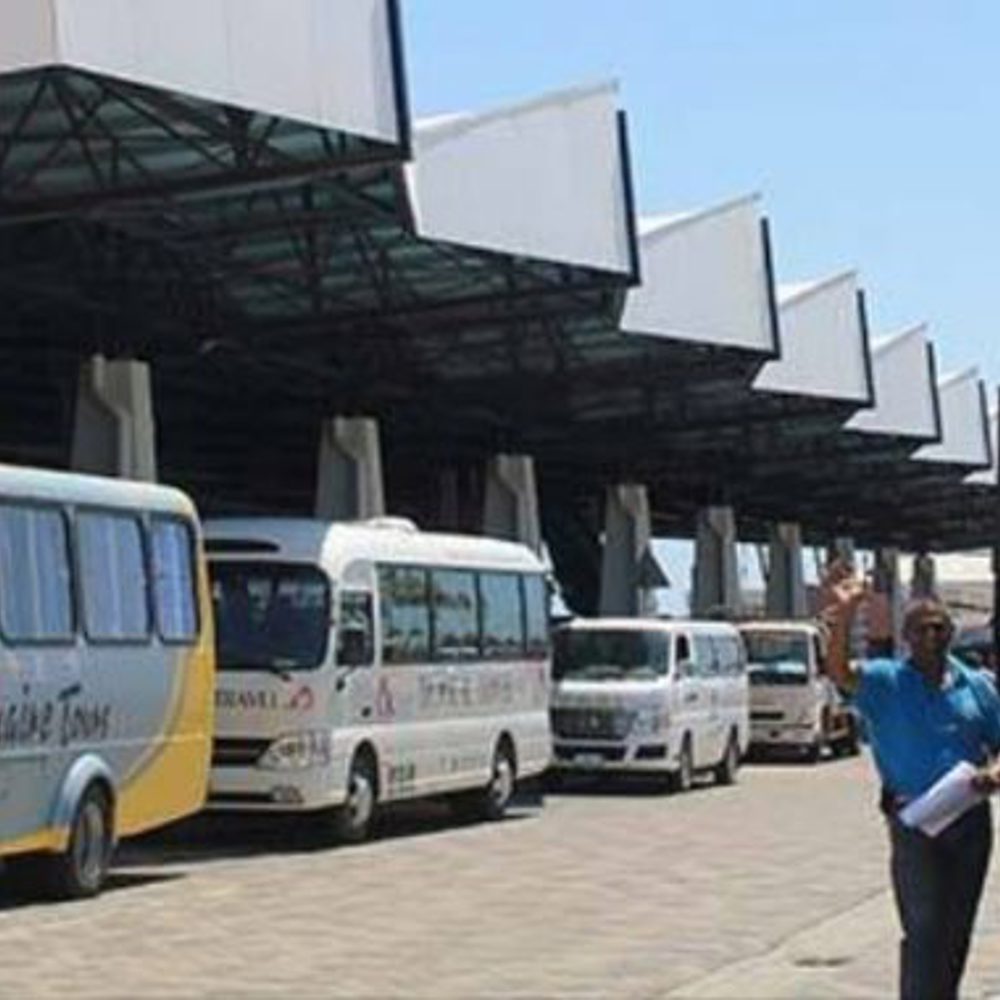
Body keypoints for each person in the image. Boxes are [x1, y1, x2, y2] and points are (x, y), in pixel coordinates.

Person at [820, 559, 1000, 999]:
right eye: (920, 629)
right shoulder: (887, 681)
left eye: (939, 628)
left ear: (951, 634)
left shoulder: (978, 686)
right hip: (914, 820)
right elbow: (840, 672)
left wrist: (993, 773)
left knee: (956, 930)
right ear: (905, 638)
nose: (931, 636)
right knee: (923, 927)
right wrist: (846, 614)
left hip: (969, 823)